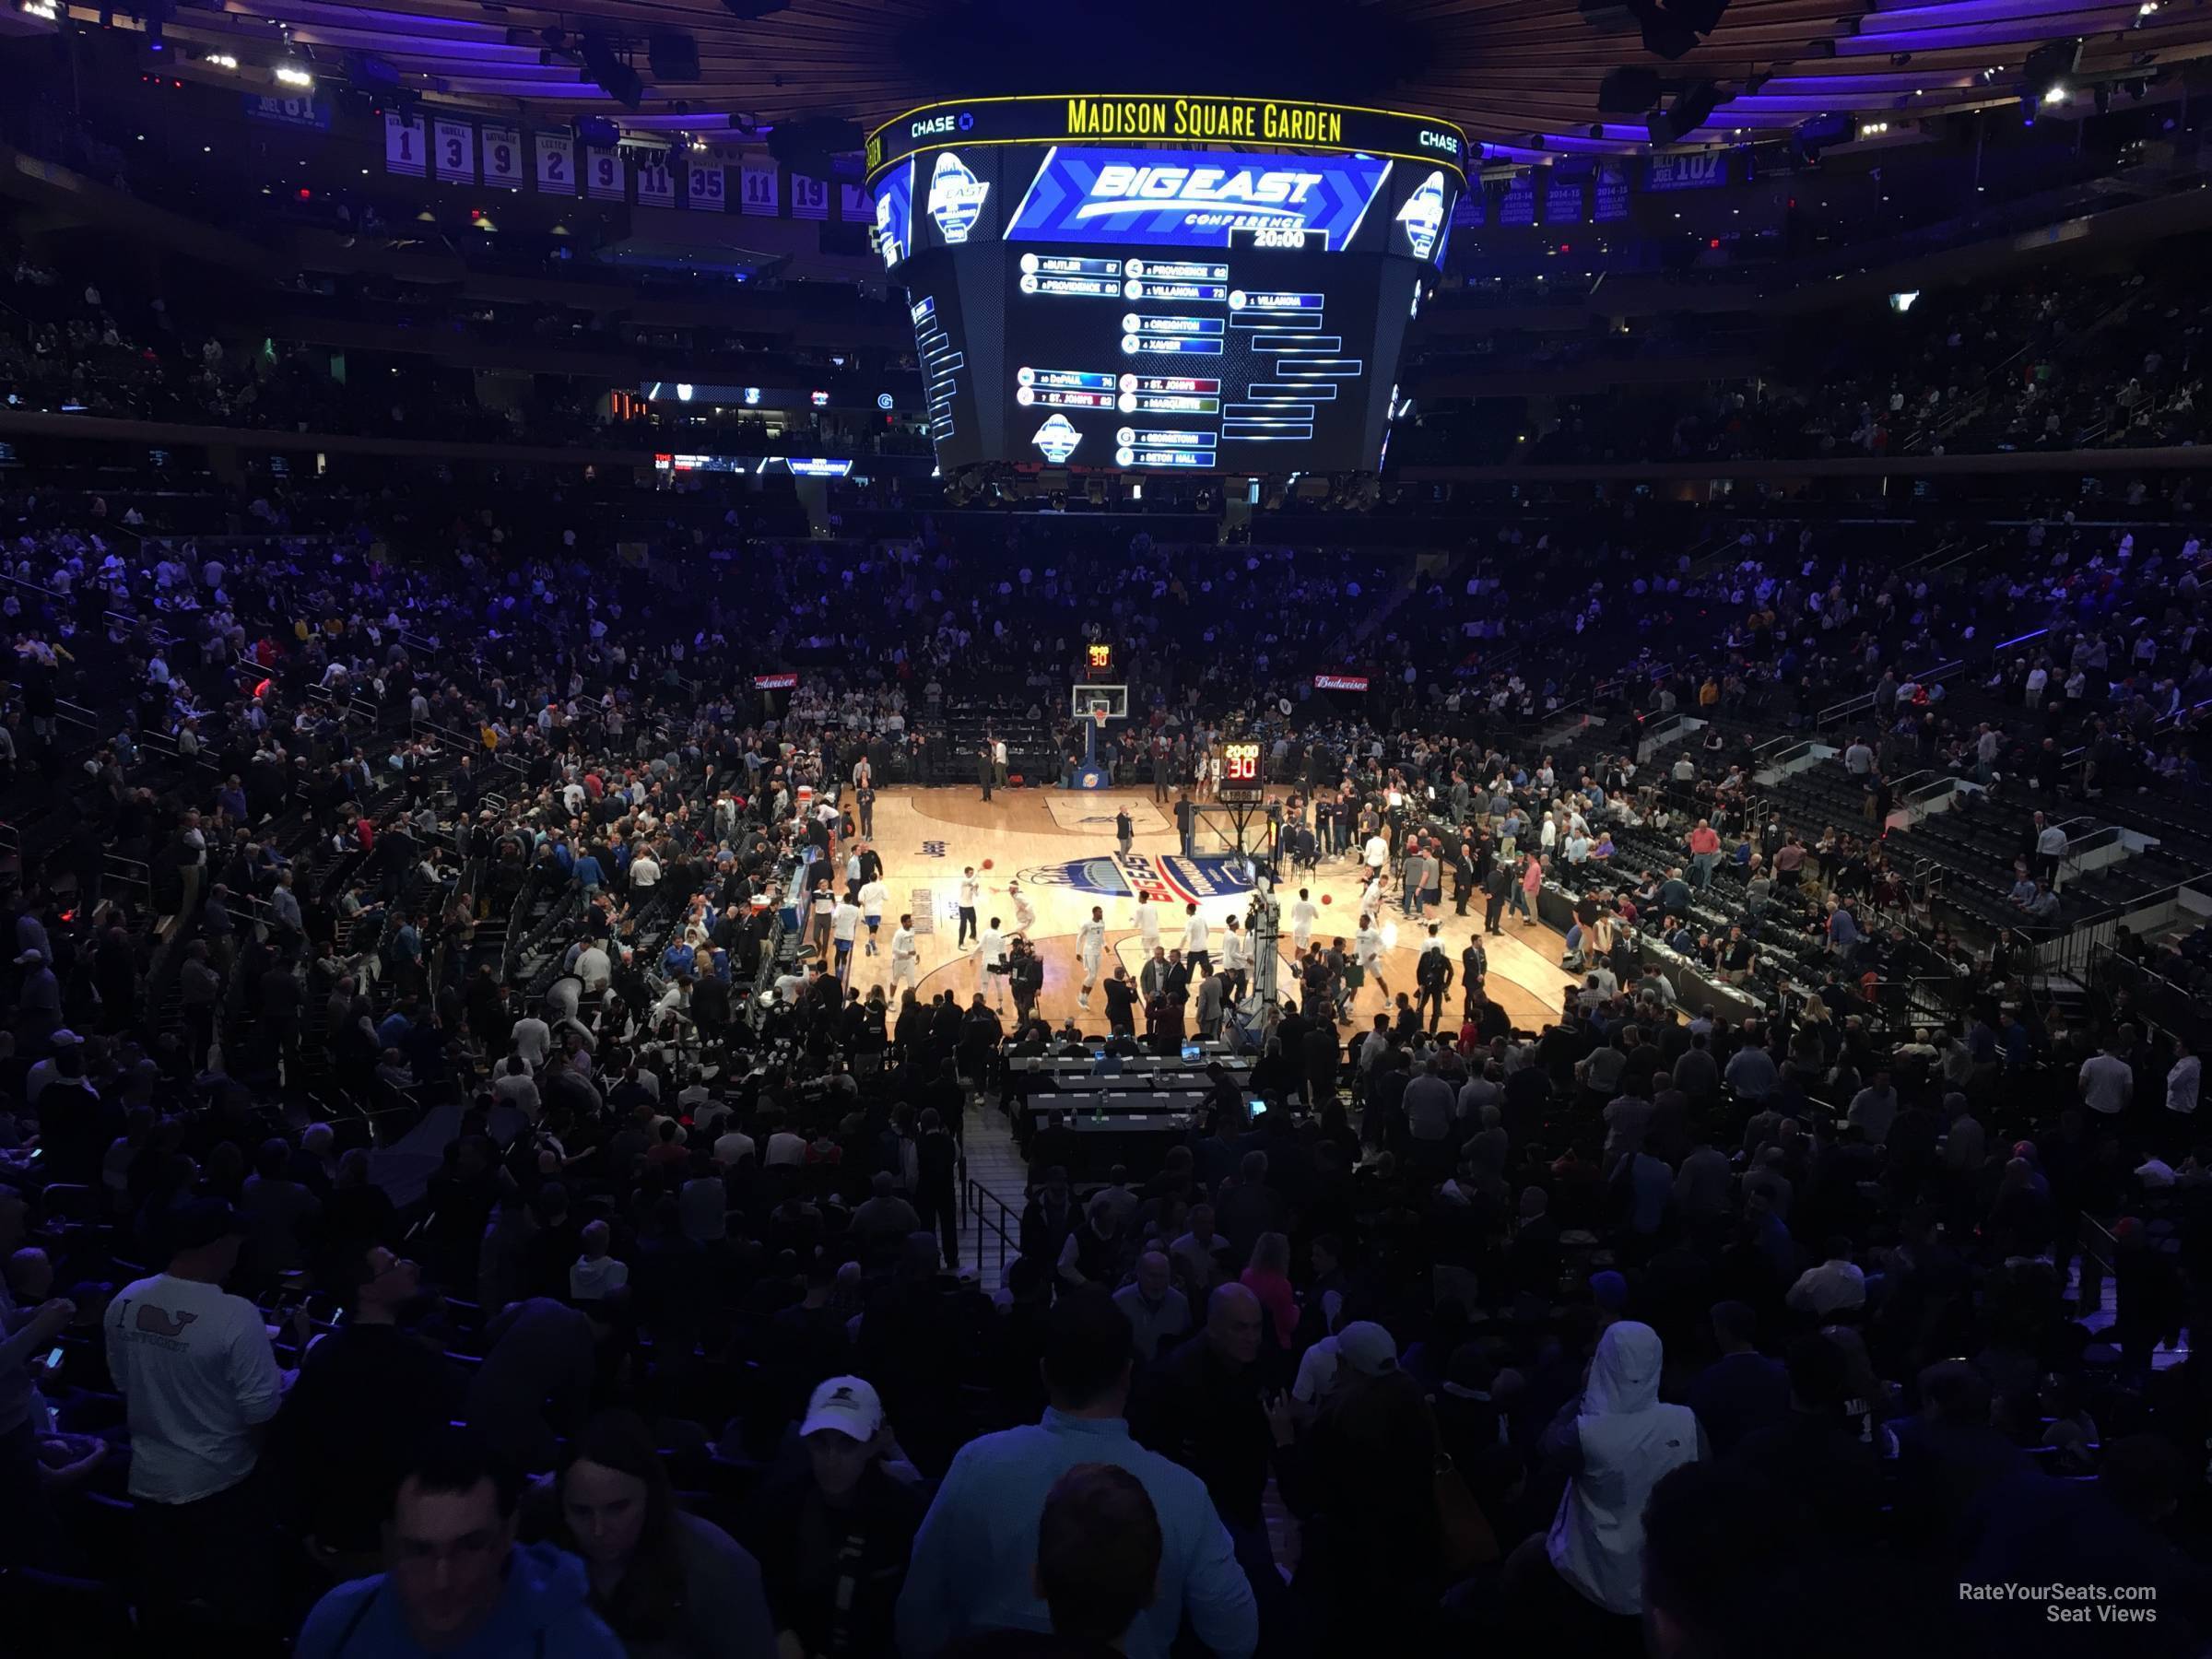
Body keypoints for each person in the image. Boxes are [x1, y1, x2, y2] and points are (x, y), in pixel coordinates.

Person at [896, 1287, 1258, 1659]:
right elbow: (1236, 1636)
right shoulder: (1183, 1492)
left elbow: (916, 1617)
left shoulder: (976, 1462)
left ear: (1044, 1372)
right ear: (1128, 1375)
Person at [105, 1195, 299, 1621]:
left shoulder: (125, 1300)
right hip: (223, 1487)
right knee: (229, 1612)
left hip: (148, 1478)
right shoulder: (235, 1314)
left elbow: (123, 1383)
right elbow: (262, 1414)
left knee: (164, 1606)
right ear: (215, 1245)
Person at [295, 1426, 625, 1658]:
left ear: (508, 1533)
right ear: (390, 1541)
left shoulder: (584, 1647)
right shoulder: (338, 1621)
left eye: (470, 1547)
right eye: (420, 1550)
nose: (442, 1581)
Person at [271, 1243, 465, 1564]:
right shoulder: (424, 1365)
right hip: (394, 1543)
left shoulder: (324, 1356)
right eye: (395, 1264)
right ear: (368, 1291)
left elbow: (295, 1447)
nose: (410, 1268)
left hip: (335, 1534)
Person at [552, 1409, 779, 1659]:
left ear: (651, 1497)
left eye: (618, 1508)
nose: (599, 1530)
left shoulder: (718, 1566)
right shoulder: (541, 1551)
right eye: (581, 1512)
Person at [742, 1377, 926, 1659]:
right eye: (820, 1442)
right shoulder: (777, 1503)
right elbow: (759, 1586)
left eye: (847, 1444)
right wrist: (779, 1630)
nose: (831, 1459)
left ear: (872, 1445)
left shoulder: (906, 1514)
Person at [1539, 1320, 1702, 1620]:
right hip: (1658, 1575)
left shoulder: (1585, 1433)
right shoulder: (1686, 1422)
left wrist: (1583, 1391)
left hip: (1588, 1572)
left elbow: (1547, 1445)